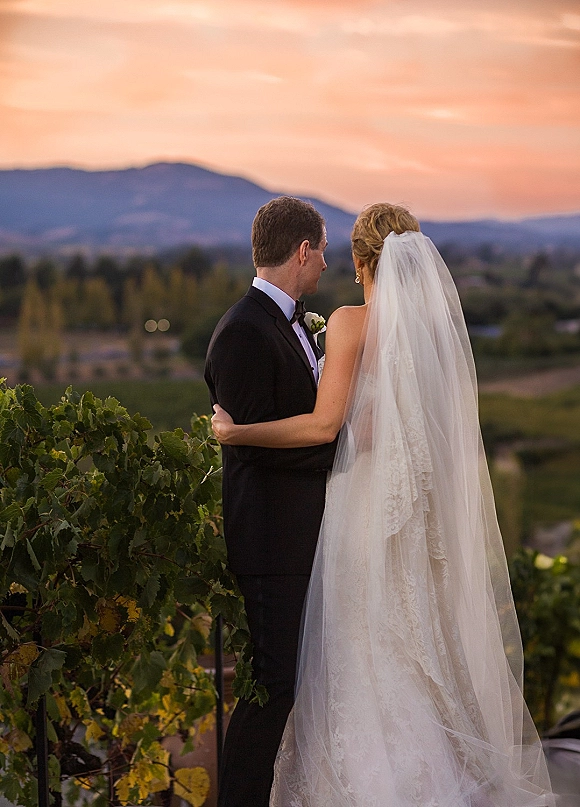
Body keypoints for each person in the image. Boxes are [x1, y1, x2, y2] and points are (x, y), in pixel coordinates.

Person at [212, 203, 555, 807]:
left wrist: (236, 435)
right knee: (403, 640)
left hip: (355, 504)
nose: (327, 260)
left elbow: (326, 425)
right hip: (401, 506)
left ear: (361, 259)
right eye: (317, 248)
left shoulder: (347, 322)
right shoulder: (425, 332)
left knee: (355, 643)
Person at [204, 196, 338, 807]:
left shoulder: (290, 320)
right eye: (323, 251)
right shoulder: (244, 331)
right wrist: (341, 452)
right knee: (271, 684)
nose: (326, 264)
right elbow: (259, 448)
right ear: (302, 250)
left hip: (298, 535)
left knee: (285, 681)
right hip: (269, 541)